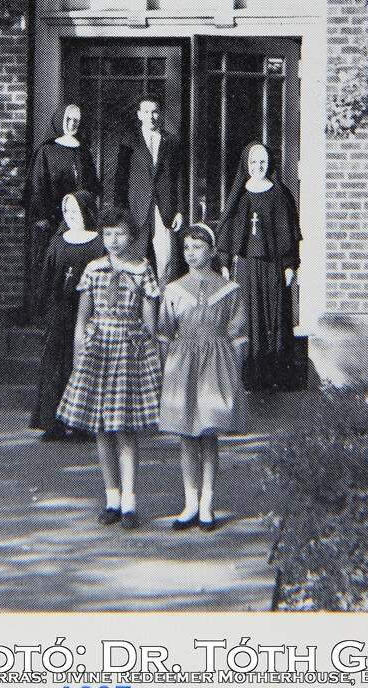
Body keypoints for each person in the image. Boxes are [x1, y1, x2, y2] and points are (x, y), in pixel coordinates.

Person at [56, 206, 162, 529]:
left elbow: (150, 323)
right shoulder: (94, 269)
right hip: (98, 350)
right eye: (108, 234)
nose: (114, 240)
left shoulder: (142, 270)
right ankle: (111, 498)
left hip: (128, 351)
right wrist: (79, 355)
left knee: (125, 429)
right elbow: (82, 318)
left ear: (132, 237)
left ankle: (129, 502)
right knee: (102, 428)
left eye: (120, 234)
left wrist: (149, 357)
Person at [158, 223, 249, 532]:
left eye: (197, 247)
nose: (190, 253)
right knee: (186, 435)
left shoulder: (228, 290)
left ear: (211, 251)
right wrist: (167, 368)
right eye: (186, 248)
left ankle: (207, 503)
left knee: (209, 433)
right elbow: (165, 332)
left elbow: (238, 334)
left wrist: (233, 371)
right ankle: (190, 503)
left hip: (215, 363)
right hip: (183, 363)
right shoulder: (174, 290)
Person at [215, 143, 301, 393]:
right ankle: (249, 375)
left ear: (269, 163)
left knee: (274, 315)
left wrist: (289, 265)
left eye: (262, 162)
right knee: (248, 316)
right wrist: (224, 263)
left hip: (273, 264)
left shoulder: (279, 194)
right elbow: (228, 229)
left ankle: (275, 374)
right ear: (246, 165)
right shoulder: (240, 195)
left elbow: (288, 234)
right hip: (246, 266)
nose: (258, 167)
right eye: (253, 162)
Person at [29, 191, 104, 442]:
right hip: (60, 313)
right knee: (55, 367)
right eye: (67, 211)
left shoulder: (99, 243)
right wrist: (45, 307)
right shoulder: (58, 242)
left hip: (89, 313)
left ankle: (85, 424)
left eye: (76, 211)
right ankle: (54, 423)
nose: (71, 216)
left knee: (85, 365)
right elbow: (47, 277)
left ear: (86, 212)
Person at [23, 103, 99, 314]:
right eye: (68, 119)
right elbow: (37, 186)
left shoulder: (83, 151)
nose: (72, 124)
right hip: (53, 218)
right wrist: (42, 216)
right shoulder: (46, 151)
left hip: (79, 218)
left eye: (76, 120)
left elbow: (92, 186)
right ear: (59, 121)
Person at [112, 96, 183, 290]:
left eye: (155, 112)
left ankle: (163, 305)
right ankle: (135, 302)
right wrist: (120, 212)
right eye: (146, 112)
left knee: (166, 258)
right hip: (136, 208)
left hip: (163, 208)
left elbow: (178, 178)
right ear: (139, 115)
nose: (151, 116)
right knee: (135, 257)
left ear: (160, 114)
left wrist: (179, 210)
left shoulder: (171, 141)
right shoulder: (129, 141)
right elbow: (120, 178)